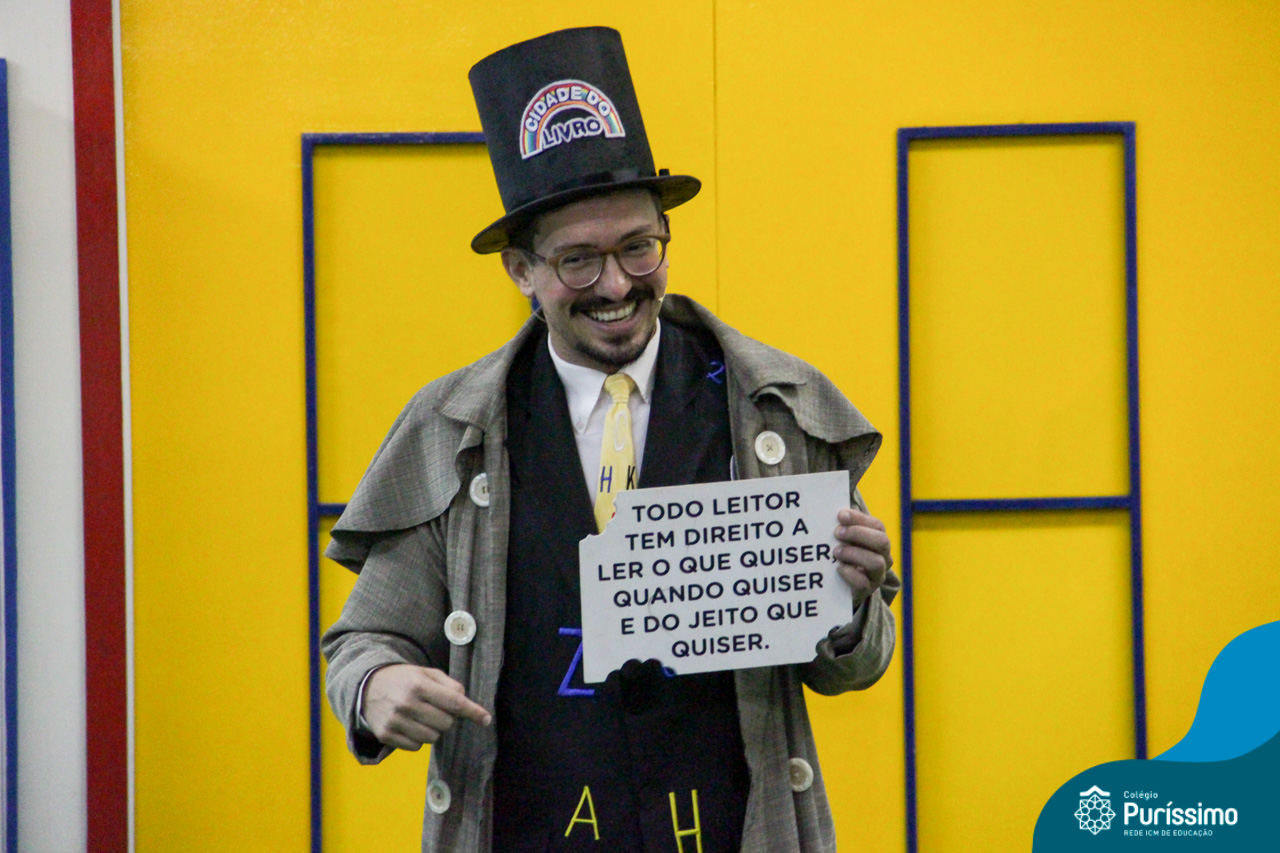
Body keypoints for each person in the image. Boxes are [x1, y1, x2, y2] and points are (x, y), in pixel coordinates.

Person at [322, 26, 898, 853]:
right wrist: (376, 685)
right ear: (521, 271)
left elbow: (853, 664)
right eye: (578, 261)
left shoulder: (773, 407)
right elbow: (361, 643)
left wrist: (852, 604)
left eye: (638, 247)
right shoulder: (453, 429)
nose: (618, 283)